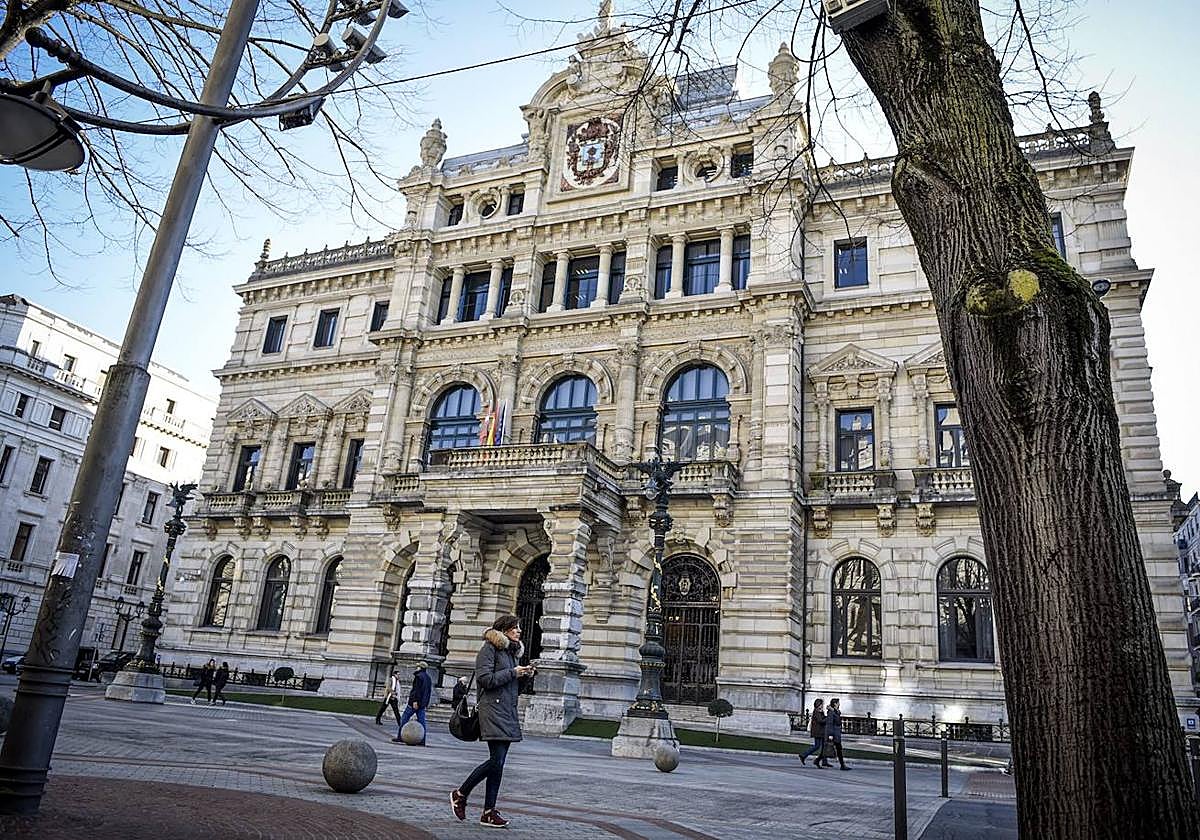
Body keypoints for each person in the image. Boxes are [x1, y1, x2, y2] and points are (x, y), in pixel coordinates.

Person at [450, 614, 535, 829]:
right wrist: (512, 672)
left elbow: (513, 688)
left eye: (519, 627)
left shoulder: (511, 653)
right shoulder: (489, 649)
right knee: (496, 761)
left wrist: (525, 676)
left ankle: (488, 811)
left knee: (499, 763)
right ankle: (461, 793)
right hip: (492, 711)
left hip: (507, 711)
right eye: (515, 627)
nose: (519, 631)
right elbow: (485, 680)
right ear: (504, 630)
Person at [395, 661, 433, 745]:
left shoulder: (418, 677)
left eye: (417, 667)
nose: (416, 668)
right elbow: (428, 692)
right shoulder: (428, 678)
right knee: (422, 722)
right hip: (422, 703)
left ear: (420, 668)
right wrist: (425, 703)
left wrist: (415, 701)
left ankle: (400, 737)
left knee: (404, 718)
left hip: (414, 703)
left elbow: (416, 690)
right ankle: (422, 741)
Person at [799, 698, 828, 766]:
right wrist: (828, 717)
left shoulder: (819, 711)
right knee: (817, 746)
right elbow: (820, 720)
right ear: (818, 704)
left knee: (823, 746)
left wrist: (824, 714)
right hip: (818, 731)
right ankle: (803, 755)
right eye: (821, 704)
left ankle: (823, 761)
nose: (822, 705)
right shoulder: (816, 711)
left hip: (820, 731)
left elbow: (822, 718)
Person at [827, 697, 849, 770]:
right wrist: (830, 735)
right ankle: (842, 765)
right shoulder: (831, 712)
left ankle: (842, 765)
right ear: (835, 704)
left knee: (837, 749)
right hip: (834, 734)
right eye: (838, 703)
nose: (839, 704)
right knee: (837, 749)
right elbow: (830, 723)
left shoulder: (836, 711)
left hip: (836, 733)